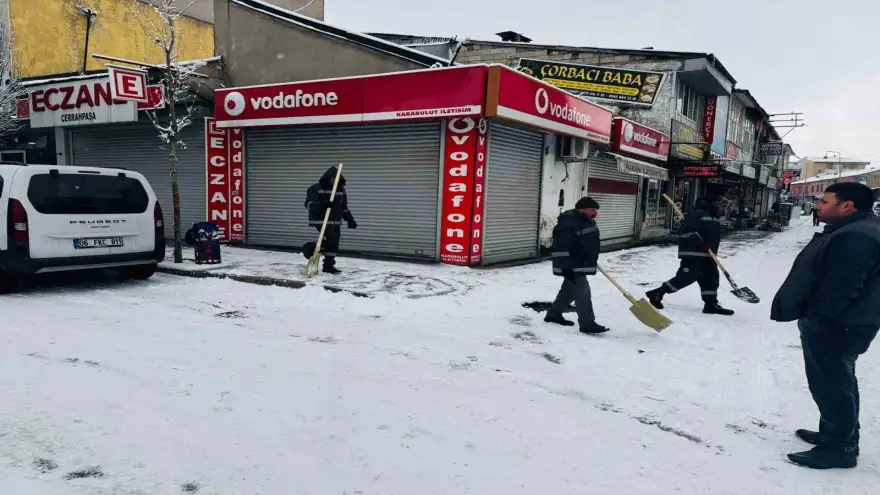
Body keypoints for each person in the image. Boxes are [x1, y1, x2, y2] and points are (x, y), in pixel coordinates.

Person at [771, 182, 880, 469]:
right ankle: (837, 434)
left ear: (847, 206)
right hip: (847, 321)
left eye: (825, 201)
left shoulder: (857, 236)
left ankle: (839, 448)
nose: (818, 205)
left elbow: (841, 288)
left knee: (831, 383)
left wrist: (817, 317)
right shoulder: (857, 229)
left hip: (839, 323)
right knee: (839, 380)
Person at [645, 196, 734, 315]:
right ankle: (658, 293)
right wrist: (700, 244)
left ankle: (710, 304)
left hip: (709, 254)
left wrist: (710, 249)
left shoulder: (714, 218)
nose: (725, 209)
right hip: (694, 253)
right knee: (686, 277)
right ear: (715, 205)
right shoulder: (697, 214)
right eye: (723, 206)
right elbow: (686, 232)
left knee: (711, 279)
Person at [544, 197, 609, 334]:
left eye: (596, 210)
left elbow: (583, 243)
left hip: (579, 263)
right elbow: (560, 246)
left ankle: (553, 315)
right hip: (572, 265)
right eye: (592, 210)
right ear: (582, 209)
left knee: (568, 291)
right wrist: (566, 267)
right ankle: (587, 323)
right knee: (583, 292)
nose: (595, 213)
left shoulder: (583, 220)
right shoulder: (569, 223)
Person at [302, 166, 357, 274]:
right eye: (332, 179)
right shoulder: (316, 188)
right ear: (327, 178)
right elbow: (309, 204)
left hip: (336, 221)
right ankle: (309, 248)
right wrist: (322, 204)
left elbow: (343, 207)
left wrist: (350, 220)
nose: (334, 181)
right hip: (321, 220)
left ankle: (327, 265)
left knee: (334, 243)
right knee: (331, 240)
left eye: (336, 179)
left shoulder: (341, 190)